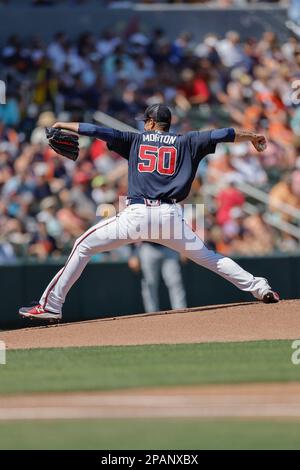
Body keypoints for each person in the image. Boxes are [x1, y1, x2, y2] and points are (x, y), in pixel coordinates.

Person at [19, 104, 279, 322]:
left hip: (138, 214)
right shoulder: (188, 140)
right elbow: (225, 133)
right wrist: (253, 136)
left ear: (154, 123)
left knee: (82, 245)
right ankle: (259, 287)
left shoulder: (135, 139)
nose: (144, 124)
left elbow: (97, 130)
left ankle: (51, 306)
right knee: (209, 257)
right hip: (169, 217)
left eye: (146, 121)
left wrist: (64, 124)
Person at [128, 242, 187, 313]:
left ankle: (181, 311)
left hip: (170, 246)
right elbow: (135, 232)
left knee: (175, 282)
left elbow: (180, 230)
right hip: (149, 247)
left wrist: (184, 248)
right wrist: (134, 253)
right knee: (149, 283)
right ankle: (152, 313)